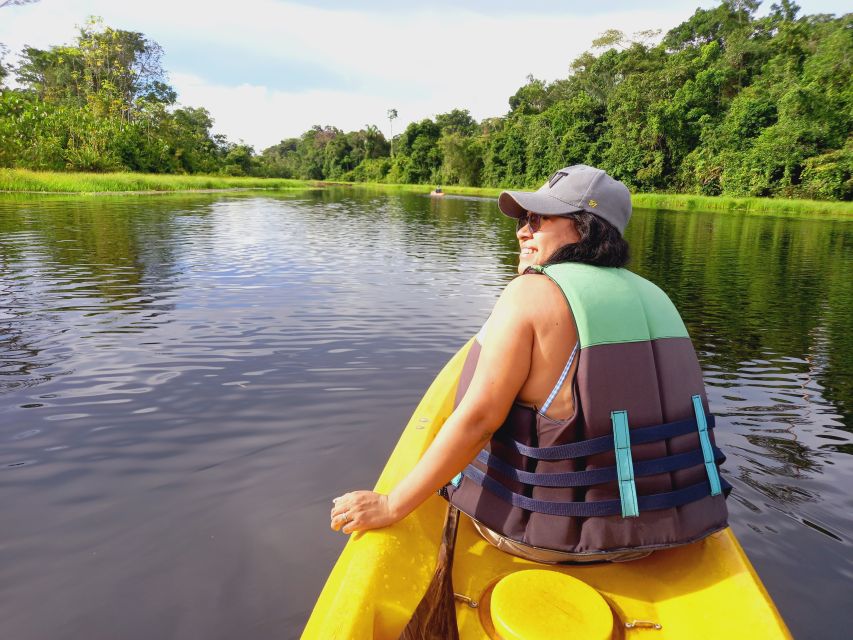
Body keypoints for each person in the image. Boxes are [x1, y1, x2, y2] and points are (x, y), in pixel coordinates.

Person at [331, 165, 728, 563]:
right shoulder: (656, 296)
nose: (522, 230)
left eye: (538, 219)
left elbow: (479, 420)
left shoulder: (531, 292)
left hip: (551, 538)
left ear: (586, 227)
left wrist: (391, 504)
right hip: (670, 534)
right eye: (523, 219)